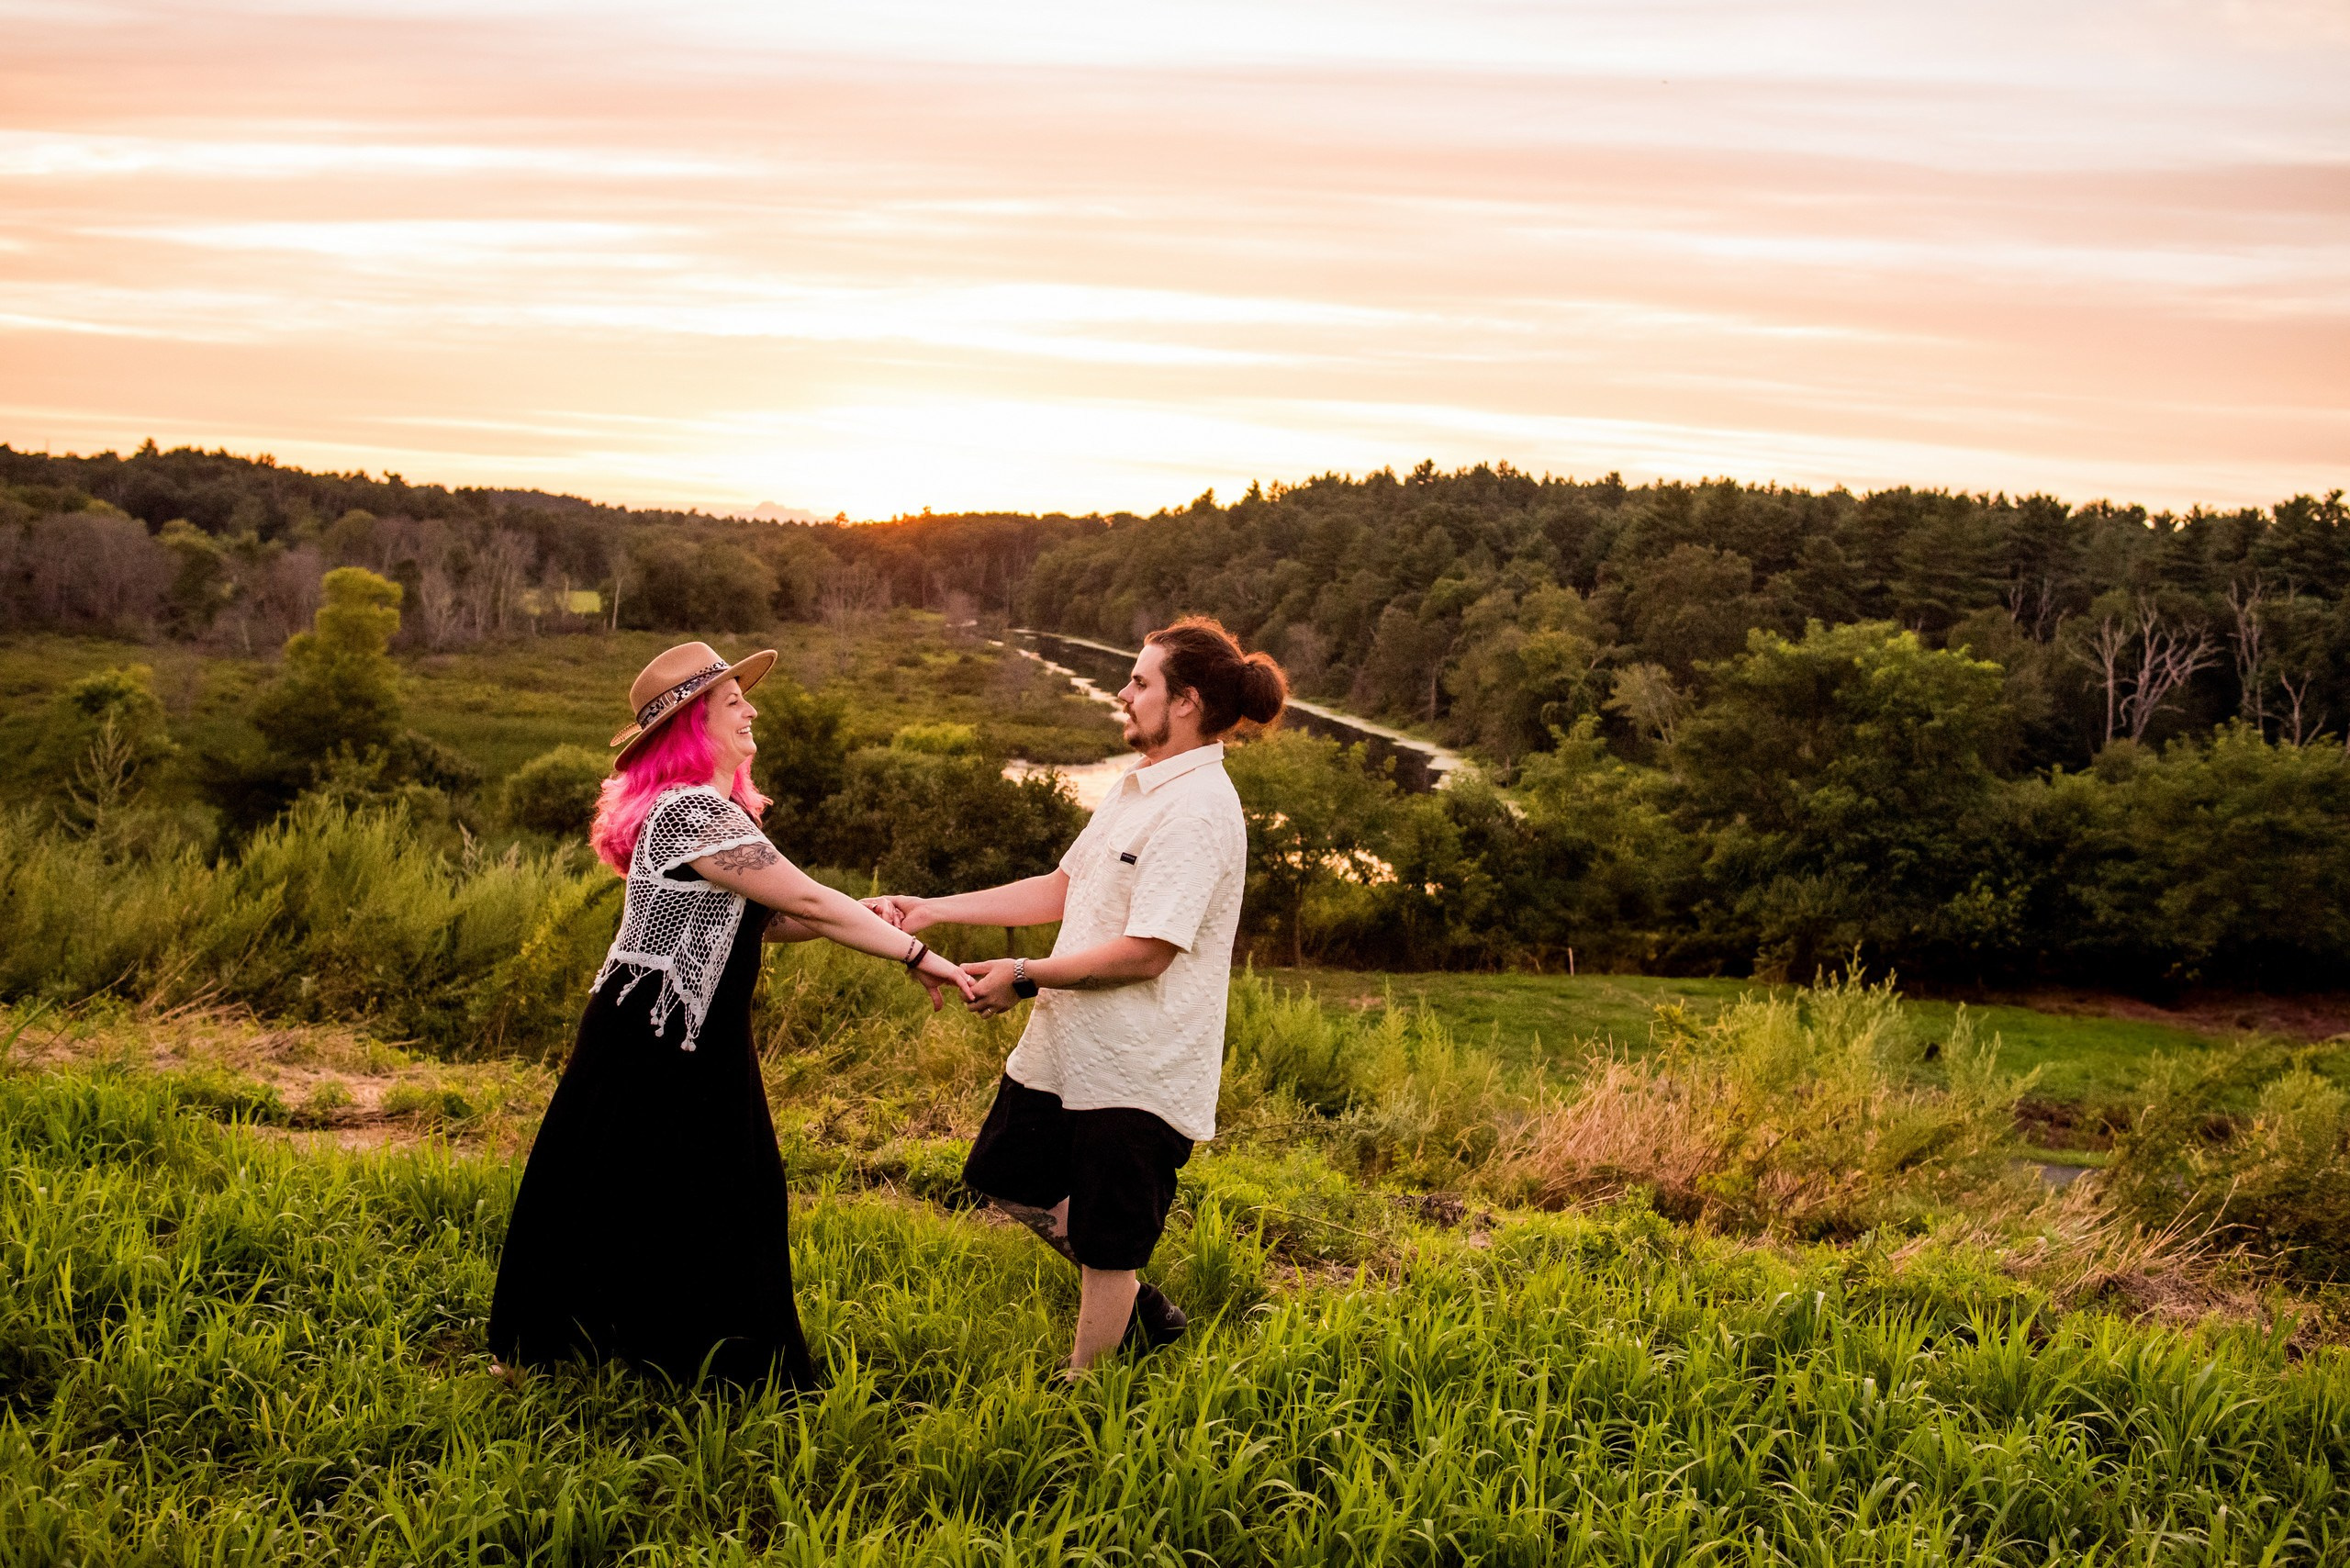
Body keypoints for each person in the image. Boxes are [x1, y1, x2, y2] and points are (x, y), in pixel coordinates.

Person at [488, 641, 976, 1386]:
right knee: (656, 1184)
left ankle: (666, 1354)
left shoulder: (713, 813)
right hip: (654, 1029)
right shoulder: (689, 811)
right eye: (733, 701)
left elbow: (771, 917)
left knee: (677, 1187)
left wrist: (865, 912)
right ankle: (630, 1356)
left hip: (686, 1027)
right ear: (693, 725)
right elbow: (807, 897)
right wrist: (915, 954)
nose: (751, 709)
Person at [873, 617, 1286, 1373]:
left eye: (1140, 682)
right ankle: (1139, 1310)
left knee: (1109, 1237)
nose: (1123, 693)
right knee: (1004, 1176)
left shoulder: (1198, 809)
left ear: (1186, 701)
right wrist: (931, 909)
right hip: (1070, 1047)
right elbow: (1063, 887)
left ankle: (1086, 1385)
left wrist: (1023, 973)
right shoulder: (1139, 787)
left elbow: (1149, 953)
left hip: (1139, 1063)